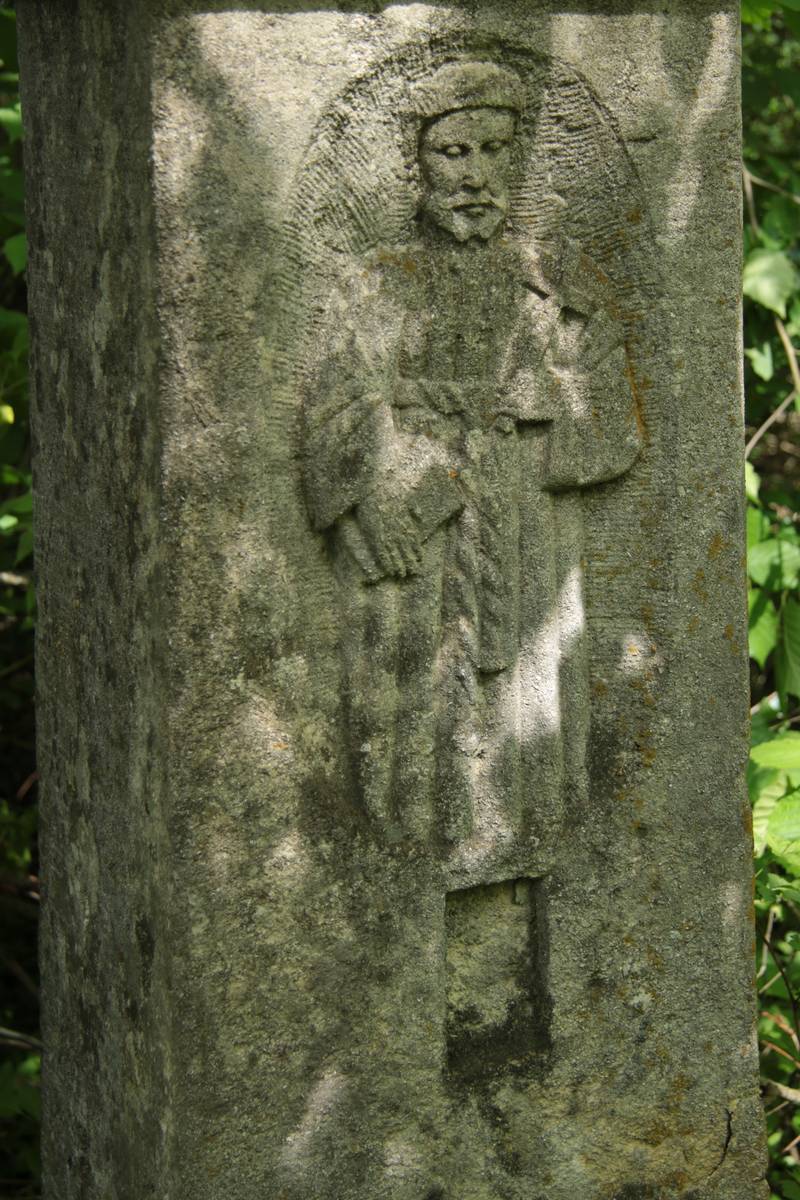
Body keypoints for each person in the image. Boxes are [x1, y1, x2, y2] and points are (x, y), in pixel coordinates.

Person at [301, 60, 641, 867]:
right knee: (414, 726)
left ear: (519, 160)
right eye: (453, 153)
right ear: (415, 164)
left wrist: (528, 413)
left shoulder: (561, 284)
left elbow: (615, 428)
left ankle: (529, 844)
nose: (475, 174)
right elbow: (334, 421)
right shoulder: (378, 284)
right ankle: (405, 857)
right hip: (415, 544)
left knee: (526, 725)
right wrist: (388, 492)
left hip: (529, 537)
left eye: (494, 151)